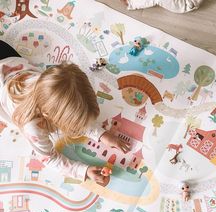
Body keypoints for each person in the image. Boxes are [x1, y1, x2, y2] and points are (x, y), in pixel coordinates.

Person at [0, 40, 130, 184]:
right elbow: (49, 158)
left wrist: (101, 134)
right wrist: (83, 170)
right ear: (49, 116)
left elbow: (72, 114)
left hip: (8, 59)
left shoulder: (52, 83)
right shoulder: (33, 127)